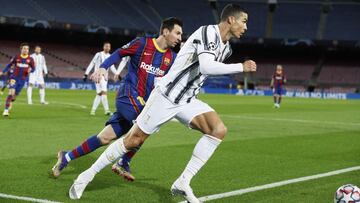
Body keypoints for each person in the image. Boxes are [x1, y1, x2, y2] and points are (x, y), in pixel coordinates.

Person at [69, 4, 256, 203]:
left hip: (186, 99)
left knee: (218, 129)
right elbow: (207, 66)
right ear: (231, 20)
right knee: (133, 140)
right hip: (166, 95)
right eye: (244, 21)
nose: (246, 27)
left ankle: (183, 182)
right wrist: (240, 67)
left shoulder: (226, 48)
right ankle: (85, 177)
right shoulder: (208, 32)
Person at [51, 17, 183, 181]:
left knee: (104, 137)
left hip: (143, 104)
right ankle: (123, 162)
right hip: (128, 95)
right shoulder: (142, 44)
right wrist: (103, 67)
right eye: (177, 33)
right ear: (165, 31)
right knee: (146, 123)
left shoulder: (172, 58)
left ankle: (66, 157)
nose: (179, 38)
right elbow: (119, 53)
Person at [0, 43, 35, 117]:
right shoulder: (16, 57)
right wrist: (3, 71)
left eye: (27, 49)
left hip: (22, 80)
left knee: (14, 96)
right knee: (11, 92)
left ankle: (10, 102)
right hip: (14, 78)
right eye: (24, 48)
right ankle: (6, 111)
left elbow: (34, 68)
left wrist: (30, 71)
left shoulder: (31, 59)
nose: (26, 50)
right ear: (21, 49)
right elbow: (9, 65)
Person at [83, 42, 117, 116]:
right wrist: (86, 74)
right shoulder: (98, 54)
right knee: (104, 92)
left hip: (105, 77)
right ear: (103, 47)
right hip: (98, 76)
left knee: (99, 94)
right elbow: (92, 63)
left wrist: (117, 73)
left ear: (110, 48)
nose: (107, 47)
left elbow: (112, 67)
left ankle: (93, 110)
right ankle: (107, 110)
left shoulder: (110, 56)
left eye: (109, 46)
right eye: (106, 46)